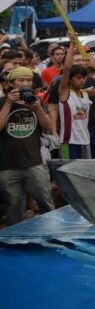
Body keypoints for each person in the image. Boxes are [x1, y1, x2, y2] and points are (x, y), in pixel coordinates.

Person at [0, 67, 55, 225]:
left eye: (29, 80)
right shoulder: (2, 102)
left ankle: (52, 233)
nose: (25, 83)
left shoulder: (36, 100)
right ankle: (15, 242)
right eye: (21, 80)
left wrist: (37, 108)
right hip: (7, 165)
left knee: (45, 202)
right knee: (13, 207)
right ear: (11, 83)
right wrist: (9, 102)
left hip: (34, 161)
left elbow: (47, 127)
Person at [48, 62, 93, 159]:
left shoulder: (85, 93)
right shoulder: (65, 93)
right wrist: (72, 46)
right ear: (69, 79)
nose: (82, 80)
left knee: (85, 171)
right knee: (67, 170)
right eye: (78, 78)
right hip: (68, 142)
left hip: (85, 140)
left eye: (84, 77)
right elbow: (67, 67)